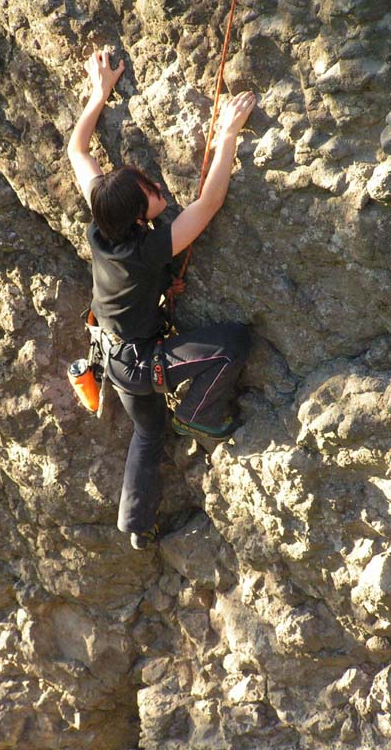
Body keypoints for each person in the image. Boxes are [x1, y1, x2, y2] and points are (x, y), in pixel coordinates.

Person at [67, 50, 255, 550]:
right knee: (233, 343)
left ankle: (134, 525)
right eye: (150, 192)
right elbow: (208, 203)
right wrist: (228, 137)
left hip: (113, 356)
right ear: (136, 216)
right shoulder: (150, 246)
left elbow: (77, 151)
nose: (158, 191)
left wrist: (98, 93)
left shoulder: (101, 216)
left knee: (148, 433)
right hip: (141, 362)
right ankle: (198, 413)